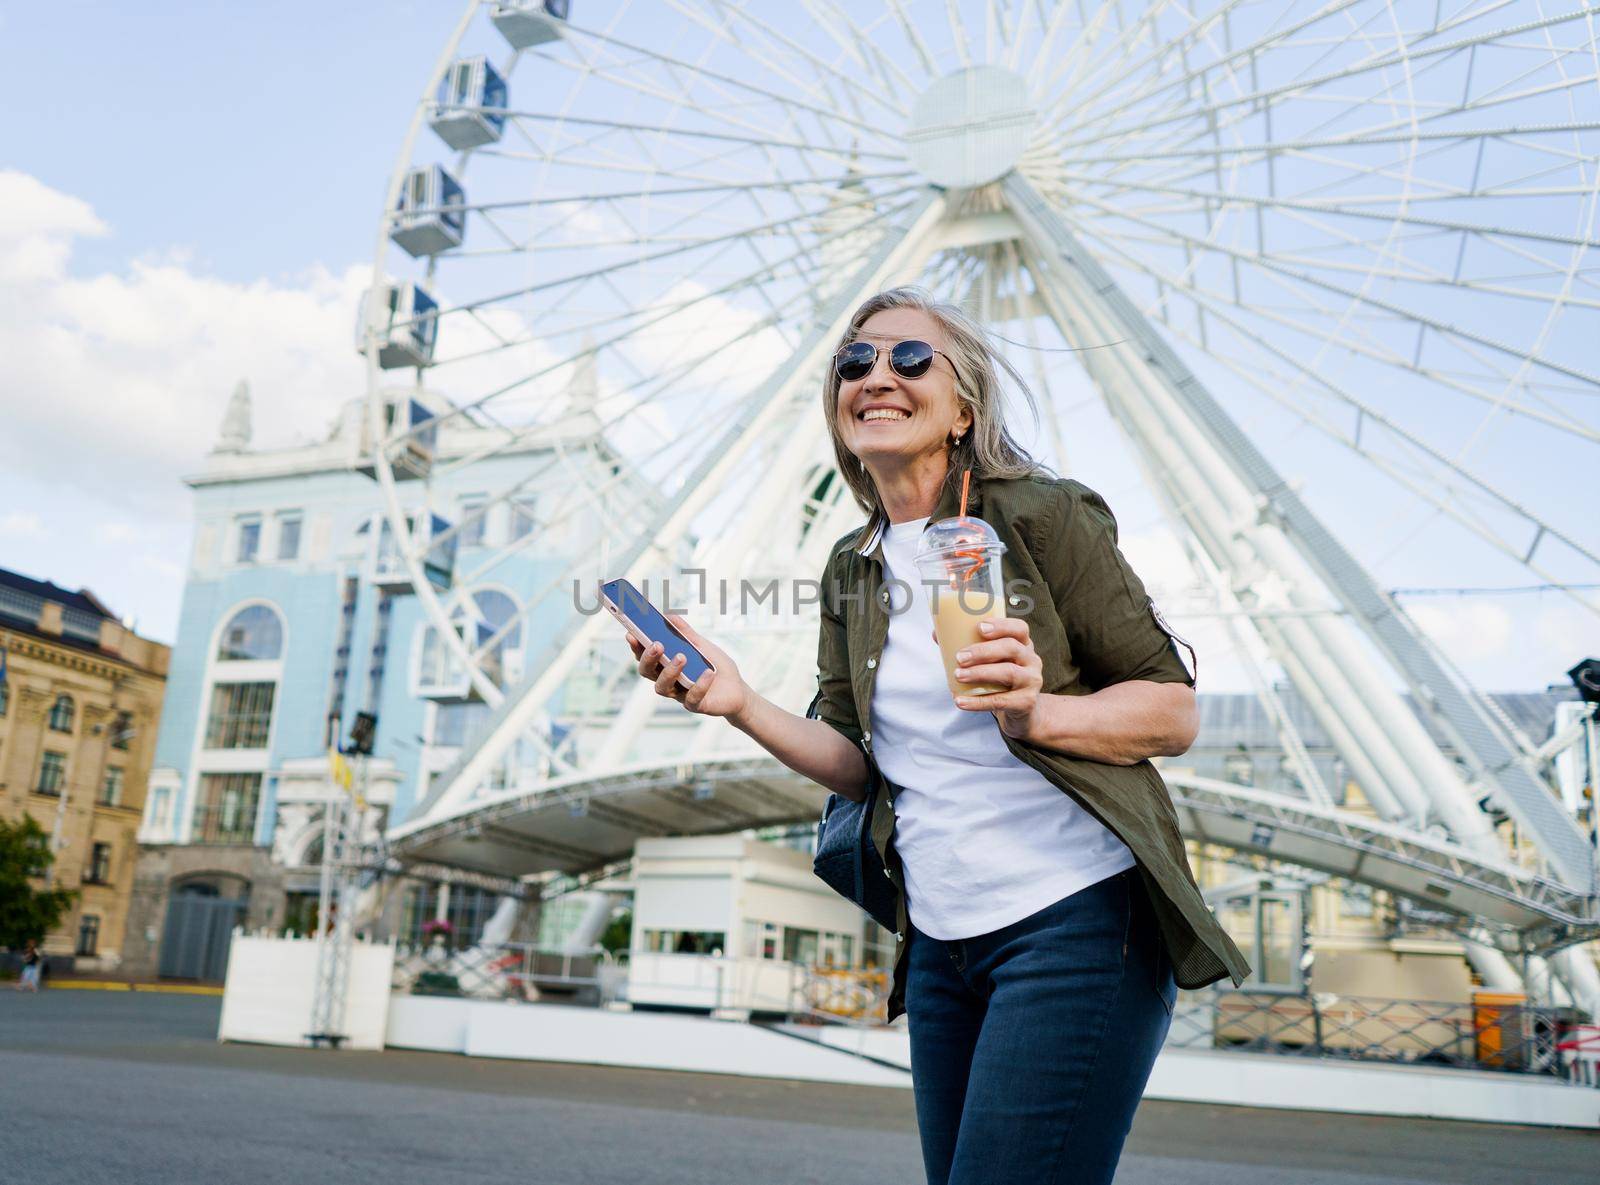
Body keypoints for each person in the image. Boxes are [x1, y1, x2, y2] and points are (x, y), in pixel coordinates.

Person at [628, 286, 1249, 1184]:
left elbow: (1172, 709)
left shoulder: (1042, 515)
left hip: (1076, 920)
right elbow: (854, 761)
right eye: (856, 362)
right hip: (940, 943)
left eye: (910, 358)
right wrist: (740, 701)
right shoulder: (854, 565)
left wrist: (1039, 713)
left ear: (963, 406)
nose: (877, 375)